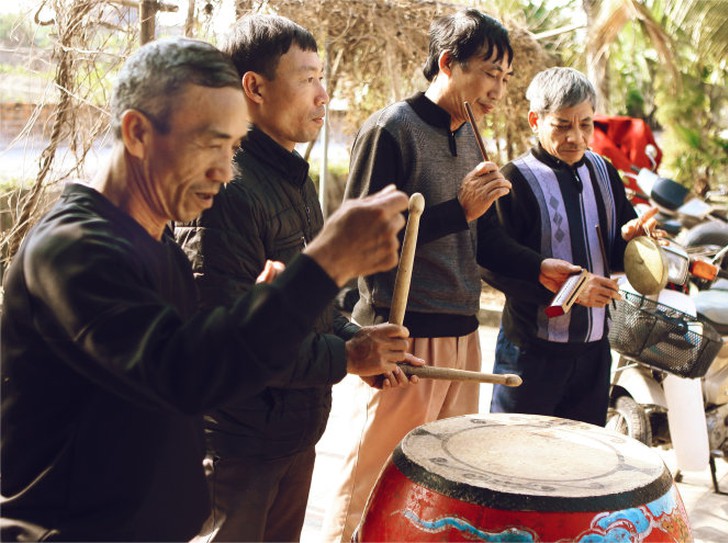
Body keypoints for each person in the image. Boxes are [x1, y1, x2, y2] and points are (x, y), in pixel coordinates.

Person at [0, 37, 411, 542]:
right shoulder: (75, 249)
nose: (224, 170)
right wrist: (322, 266)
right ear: (137, 133)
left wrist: (269, 308)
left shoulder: (158, 245)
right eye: (211, 144)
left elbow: (213, 362)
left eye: (234, 147)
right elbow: (181, 372)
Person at [174, 15, 421, 543]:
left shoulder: (292, 179)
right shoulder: (225, 190)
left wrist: (364, 342)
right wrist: (349, 359)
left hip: (293, 432)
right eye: (307, 78)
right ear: (254, 87)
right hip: (235, 444)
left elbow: (311, 310)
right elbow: (224, 343)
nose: (322, 94)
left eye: (321, 77)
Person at [321, 9, 515, 542]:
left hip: (462, 330)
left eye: (504, 78)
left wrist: (543, 269)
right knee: (373, 477)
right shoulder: (391, 129)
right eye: (488, 73)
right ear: (448, 63)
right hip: (400, 333)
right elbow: (361, 240)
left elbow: (485, 242)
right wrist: (459, 210)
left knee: (441, 485)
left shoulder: (474, 136)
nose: (497, 90)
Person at [478, 66, 658, 427]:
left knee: (580, 467)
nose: (576, 137)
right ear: (535, 120)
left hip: (593, 353)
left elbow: (615, 245)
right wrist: (573, 289)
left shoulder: (604, 171)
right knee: (518, 460)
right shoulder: (516, 180)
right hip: (531, 354)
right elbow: (492, 260)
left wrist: (635, 239)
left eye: (586, 124)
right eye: (562, 125)